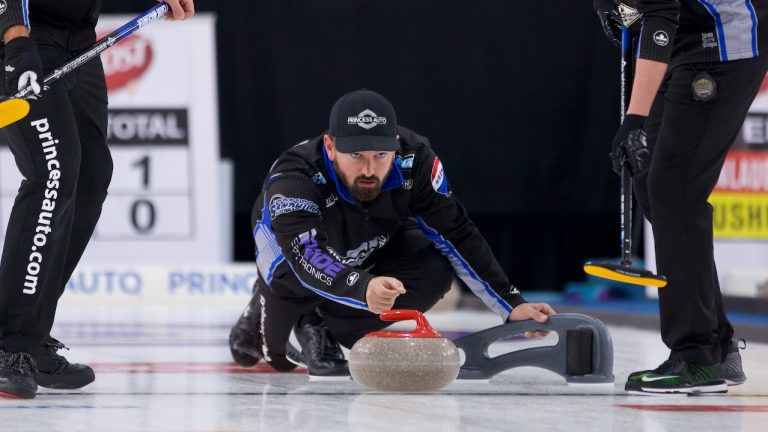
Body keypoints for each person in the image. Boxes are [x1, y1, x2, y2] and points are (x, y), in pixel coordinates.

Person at [229, 88, 556, 378]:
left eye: (380, 156)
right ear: (330, 147)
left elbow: (456, 231)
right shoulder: (294, 175)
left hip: (374, 241)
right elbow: (306, 253)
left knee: (433, 271)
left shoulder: (417, 160)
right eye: (355, 155)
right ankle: (276, 304)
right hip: (292, 259)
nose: (369, 170)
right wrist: (361, 286)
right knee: (265, 354)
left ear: (395, 146)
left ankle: (321, 321)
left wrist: (510, 303)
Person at [0, 0, 195, 399]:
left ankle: (28, 334)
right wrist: (17, 43)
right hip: (21, 38)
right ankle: (10, 343)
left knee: (91, 174)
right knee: (52, 171)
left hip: (79, 43)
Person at [593, 0, 761, 394]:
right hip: (684, 44)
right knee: (651, 179)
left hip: (724, 42)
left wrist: (634, 119)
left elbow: (662, 14)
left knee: (675, 188)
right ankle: (717, 343)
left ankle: (696, 355)